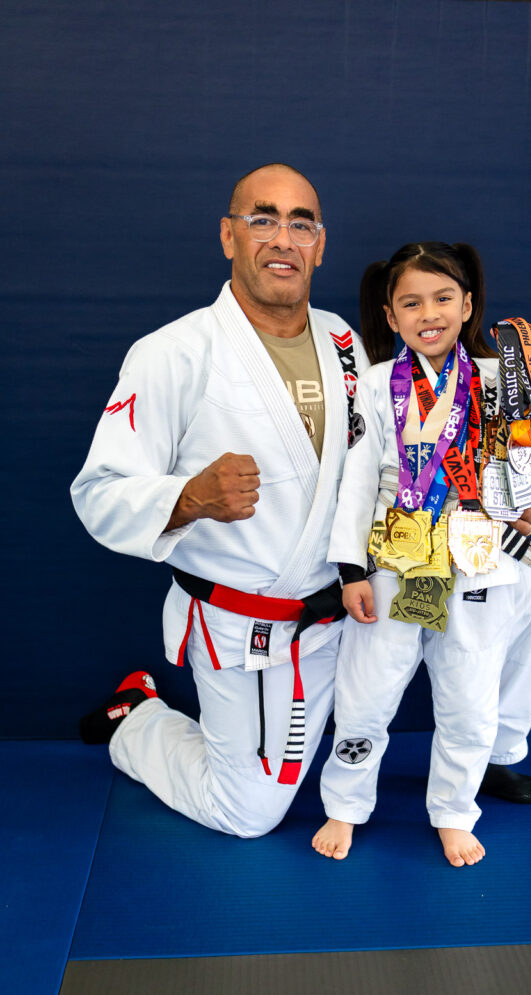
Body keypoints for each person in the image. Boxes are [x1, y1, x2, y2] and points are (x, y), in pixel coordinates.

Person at [72, 163, 368, 838]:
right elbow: (99, 494)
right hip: (246, 627)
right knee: (249, 812)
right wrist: (189, 497)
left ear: (320, 245)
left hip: (339, 616)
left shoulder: (344, 342)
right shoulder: (172, 353)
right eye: (262, 220)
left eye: (301, 225)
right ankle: (136, 719)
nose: (283, 239)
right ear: (229, 236)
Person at [311, 241, 531, 866]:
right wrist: (351, 569)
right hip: (396, 554)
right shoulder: (377, 384)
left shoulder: (498, 377)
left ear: (467, 305)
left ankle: (455, 811)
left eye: (442, 298)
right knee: (367, 690)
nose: (428, 313)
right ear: (390, 316)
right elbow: (357, 478)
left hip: (476, 550)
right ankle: (345, 804)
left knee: (469, 693)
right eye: (411, 303)